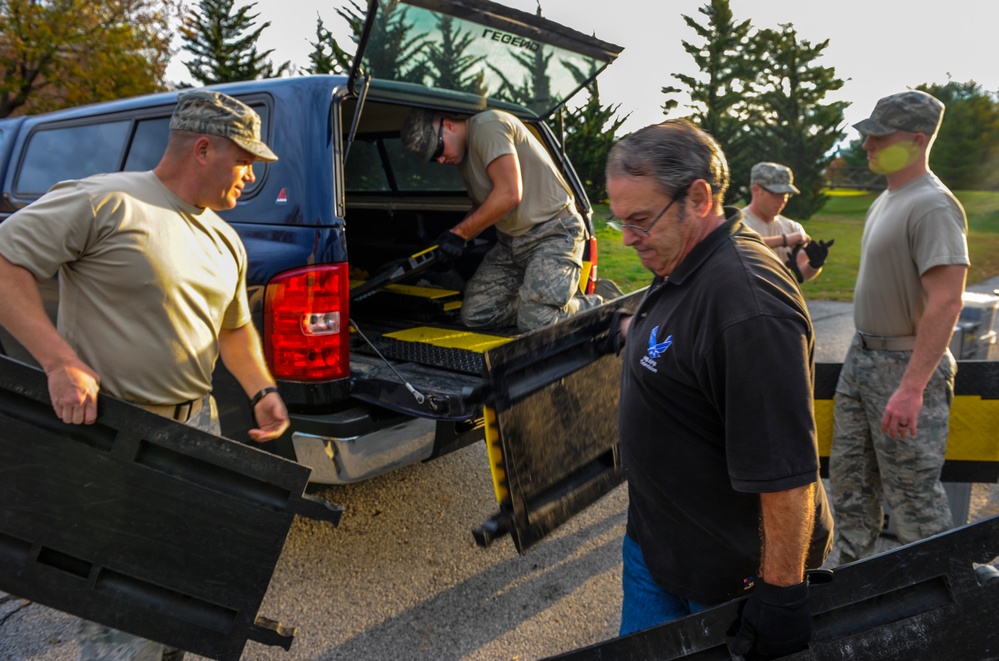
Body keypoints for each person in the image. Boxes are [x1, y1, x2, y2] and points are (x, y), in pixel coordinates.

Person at [0, 89, 291, 660]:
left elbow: (233, 328)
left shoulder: (225, 238)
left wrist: (262, 389)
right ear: (203, 148)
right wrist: (59, 361)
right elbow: (6, 264)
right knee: (121, 607)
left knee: (185, 591)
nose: (250, 174)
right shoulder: (106, 201)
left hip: (195, 432)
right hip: (112, 435)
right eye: (244, 159)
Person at [603, 120, 832, 658]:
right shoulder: (684, 256)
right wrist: (629, 331)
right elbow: (685, 333)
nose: (629, 238)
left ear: (699, 197)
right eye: (621, 223)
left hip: (725, 578)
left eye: (639, 220)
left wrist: (780, 592)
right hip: (656, 547)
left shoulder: (748, 305)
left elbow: (786, 471)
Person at [829, 90, 969, 564]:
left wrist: (912, 388)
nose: (866, 145)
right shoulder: (889, 198)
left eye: (878, 136)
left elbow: (947, 300)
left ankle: (944, 614)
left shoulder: (932, 205)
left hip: (904, 368)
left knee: (914, 506)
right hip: (862, 358)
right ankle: (856, 600)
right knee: (850, 490)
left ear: (916, 140)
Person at [401, 108, 619, 332]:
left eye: (438, 149)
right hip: (511, 242)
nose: (440, 159)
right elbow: (481, 206)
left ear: (447, 125)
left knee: (537, 323)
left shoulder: (487, 125)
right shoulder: (465, 158)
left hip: (553, 234)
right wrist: (452, 241)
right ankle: (537, 308)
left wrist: (460, 234)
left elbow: (509, 194)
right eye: (434, 159)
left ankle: (600, 303)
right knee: (476, 315)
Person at [741, 162, 833, 283]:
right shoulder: (738, 223)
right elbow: (742, 246)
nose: (782, 200)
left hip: (781, 298)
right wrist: (784, 240)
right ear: (756, 190)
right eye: (776, 194)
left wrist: (815, 264)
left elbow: (803, 273)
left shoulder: (792, 227)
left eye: (786, 194)